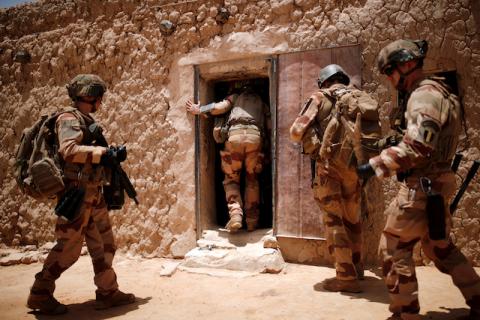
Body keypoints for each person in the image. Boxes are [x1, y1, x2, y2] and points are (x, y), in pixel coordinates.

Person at [357, 39, 480, 320]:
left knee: (392, 249)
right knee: (440, 248)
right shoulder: (441, 93)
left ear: (407, 64)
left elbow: (418, 146)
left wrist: (374, 165)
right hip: (436, 183)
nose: (389, 79)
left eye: (390, 72)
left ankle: (405, 313)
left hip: (421, 187)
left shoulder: (424, 95)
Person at [27, 74, 135, 314]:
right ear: (91, 96)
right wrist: (102, 153)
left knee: (105, 243)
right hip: (76, 193)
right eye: (100, 97)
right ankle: (40, 294)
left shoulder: (84, 120)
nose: (101, 102)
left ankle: (108, 292)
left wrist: (110, 153)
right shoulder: (68, 119)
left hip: (92, 192)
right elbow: (69, 150)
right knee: (68, 248)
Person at [289, 64, 381, 293]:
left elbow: (295, 131)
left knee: (334, 221)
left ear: (323, 82)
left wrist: (313, 140)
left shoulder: (320, 97)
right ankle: (357, 268)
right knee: (353, 219)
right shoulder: (359, 97)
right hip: (356, 167)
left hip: (330, 168)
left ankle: (345, 278)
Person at [185, 80, 269, 232]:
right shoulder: (262, 103)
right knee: (252, 180)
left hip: (235, 138)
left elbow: (220, 107)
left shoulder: (235, 97)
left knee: (231, 179)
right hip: (255, 140)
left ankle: (236, 214)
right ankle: (252, 221)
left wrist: (200, 109)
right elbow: (270, 127)